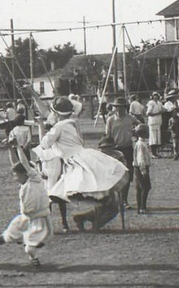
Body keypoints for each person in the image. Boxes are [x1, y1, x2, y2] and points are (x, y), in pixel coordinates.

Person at [35, 96, 127, 233]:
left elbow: (44, 144)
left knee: (78, 183)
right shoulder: (73, 123)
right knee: (91, 178)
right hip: (81, 154)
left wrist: (42, 126)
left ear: (56, 113)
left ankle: (88, 202)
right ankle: (93, 204)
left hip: (73, 159)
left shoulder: (58, 127)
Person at [0, 160, 52, 268]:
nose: (15, 178)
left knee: (30, 246)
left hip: (38, 218)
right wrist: (11, 147)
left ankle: (34, 257)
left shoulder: (35, 181)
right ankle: (8, 237)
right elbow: (15, 162)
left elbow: (24, 162)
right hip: (25, 217)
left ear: (25, 173)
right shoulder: (25, 185)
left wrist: (18, 146)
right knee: (13, 230)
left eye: (16, 175)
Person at [103, 98, 134, 172]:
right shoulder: (111, 120)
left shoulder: (130, 118)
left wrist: (135, 133)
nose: (119, 109)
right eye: (117, 107)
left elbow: (140, 126)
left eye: (121, 107)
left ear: (125, 107)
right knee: (116, 171)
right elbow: (107, 134)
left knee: (128, 170)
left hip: (127, 148)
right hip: (115, 148)